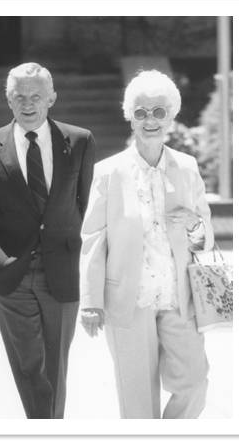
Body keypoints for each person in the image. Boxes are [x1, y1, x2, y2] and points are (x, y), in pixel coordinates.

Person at [79, 70, 214, 419]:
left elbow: (206, 237)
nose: (149, 120)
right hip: (129, 302)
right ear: (129, 116)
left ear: (172, 115)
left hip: (177, 300)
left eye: (158, 112)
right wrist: (92, 302)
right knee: (137, 405)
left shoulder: (186, 167)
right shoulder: (109, 172)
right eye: (140, 112)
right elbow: (94, 239)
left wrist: (194, 225)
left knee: (195, 385)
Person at [0, 62, 96, 419]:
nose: (28, 104)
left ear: (52, 98)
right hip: (10, 274)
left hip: (63, 269)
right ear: (8, 101)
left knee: (55, 364)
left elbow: (86, 206)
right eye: (19, 96)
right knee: (29, 365)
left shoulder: (80, 140)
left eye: (36, 96)